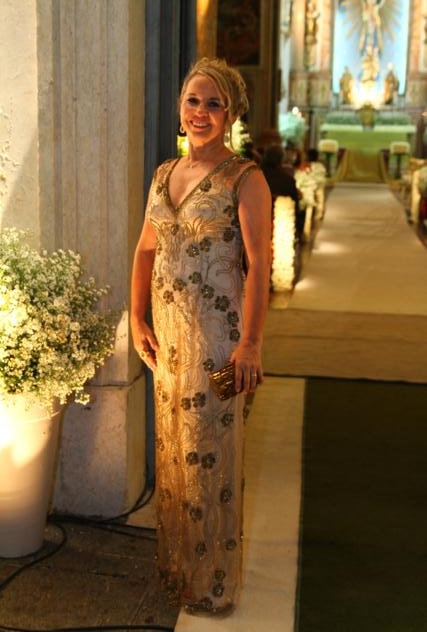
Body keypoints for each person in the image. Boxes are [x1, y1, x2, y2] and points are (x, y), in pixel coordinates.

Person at [131, 58, 271, 616]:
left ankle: (214, 583)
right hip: (168, 342)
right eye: (193, 100)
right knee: (174, 453)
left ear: (231, 114)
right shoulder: (164, 173)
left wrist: (250, 344)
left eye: (214, 103)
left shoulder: (245, 178)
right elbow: (146, 248)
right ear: (180, 107)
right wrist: (137, 317)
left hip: (217, 341)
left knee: (210, 459)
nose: (201, 112)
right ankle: (179, 569)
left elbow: (258, 267)